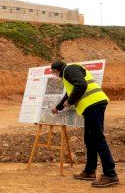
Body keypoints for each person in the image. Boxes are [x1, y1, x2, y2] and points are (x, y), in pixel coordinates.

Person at [50, 60, 119, 188]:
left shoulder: (69, 69)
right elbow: (69, 93)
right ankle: (89, 171)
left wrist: (70, 102)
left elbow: (81, 85)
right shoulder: (68, 73)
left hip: (94, 104)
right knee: (90, 139)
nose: (54, 75)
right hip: (91, 106)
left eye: (54, 73)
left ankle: (110, 174)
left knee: (98, 139)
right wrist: (58, 107)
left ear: (56, 70)